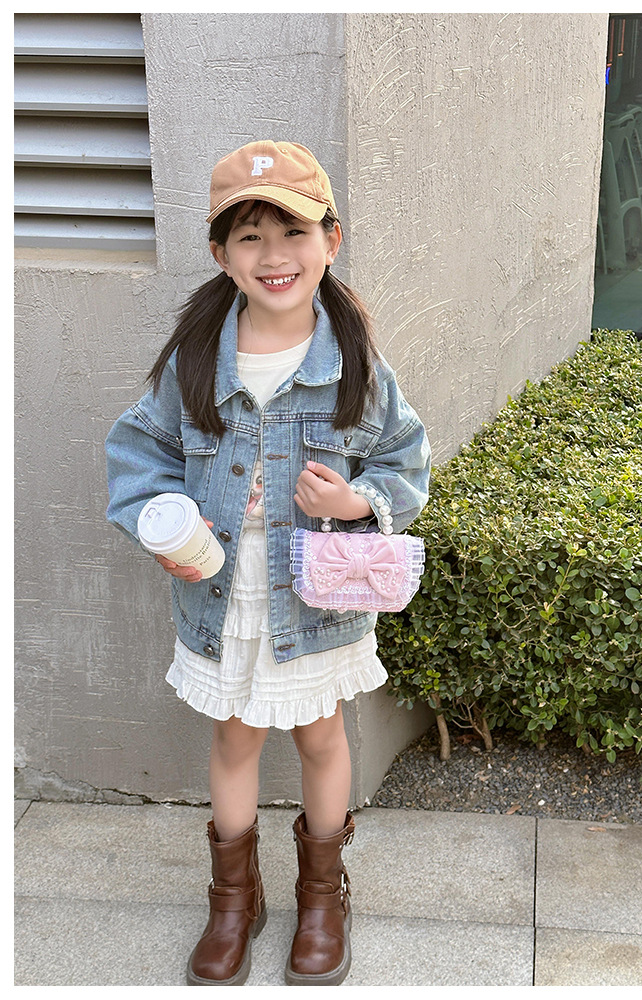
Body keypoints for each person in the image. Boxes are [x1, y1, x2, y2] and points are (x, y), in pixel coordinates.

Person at [105, 140, 431, 987]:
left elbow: (406, 461)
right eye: (249, 236)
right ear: (222, 255)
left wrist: (357, 502)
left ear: (331, 240)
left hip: (315, 597)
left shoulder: (354, 366)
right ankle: (233, 901)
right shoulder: (194, 362)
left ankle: (322, 898)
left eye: (293, 231)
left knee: (322, 735)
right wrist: (161, 528)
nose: (274, 255)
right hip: (221, 591)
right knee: (234, 734)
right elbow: (138, 456)